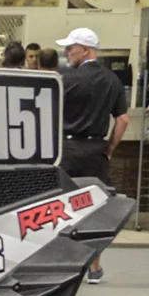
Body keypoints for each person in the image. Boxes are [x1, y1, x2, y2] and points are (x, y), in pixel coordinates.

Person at [56, 27, 128, 283]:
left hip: (66, 150)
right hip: (96, 151)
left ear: (85, 50)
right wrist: (109, 148)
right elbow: (122, 119)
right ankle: (94, 268)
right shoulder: (113, 81)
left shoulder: (66, 80)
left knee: (61, 207)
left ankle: (64, 263)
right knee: (94, 208)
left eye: (70, 48)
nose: (67, 52)